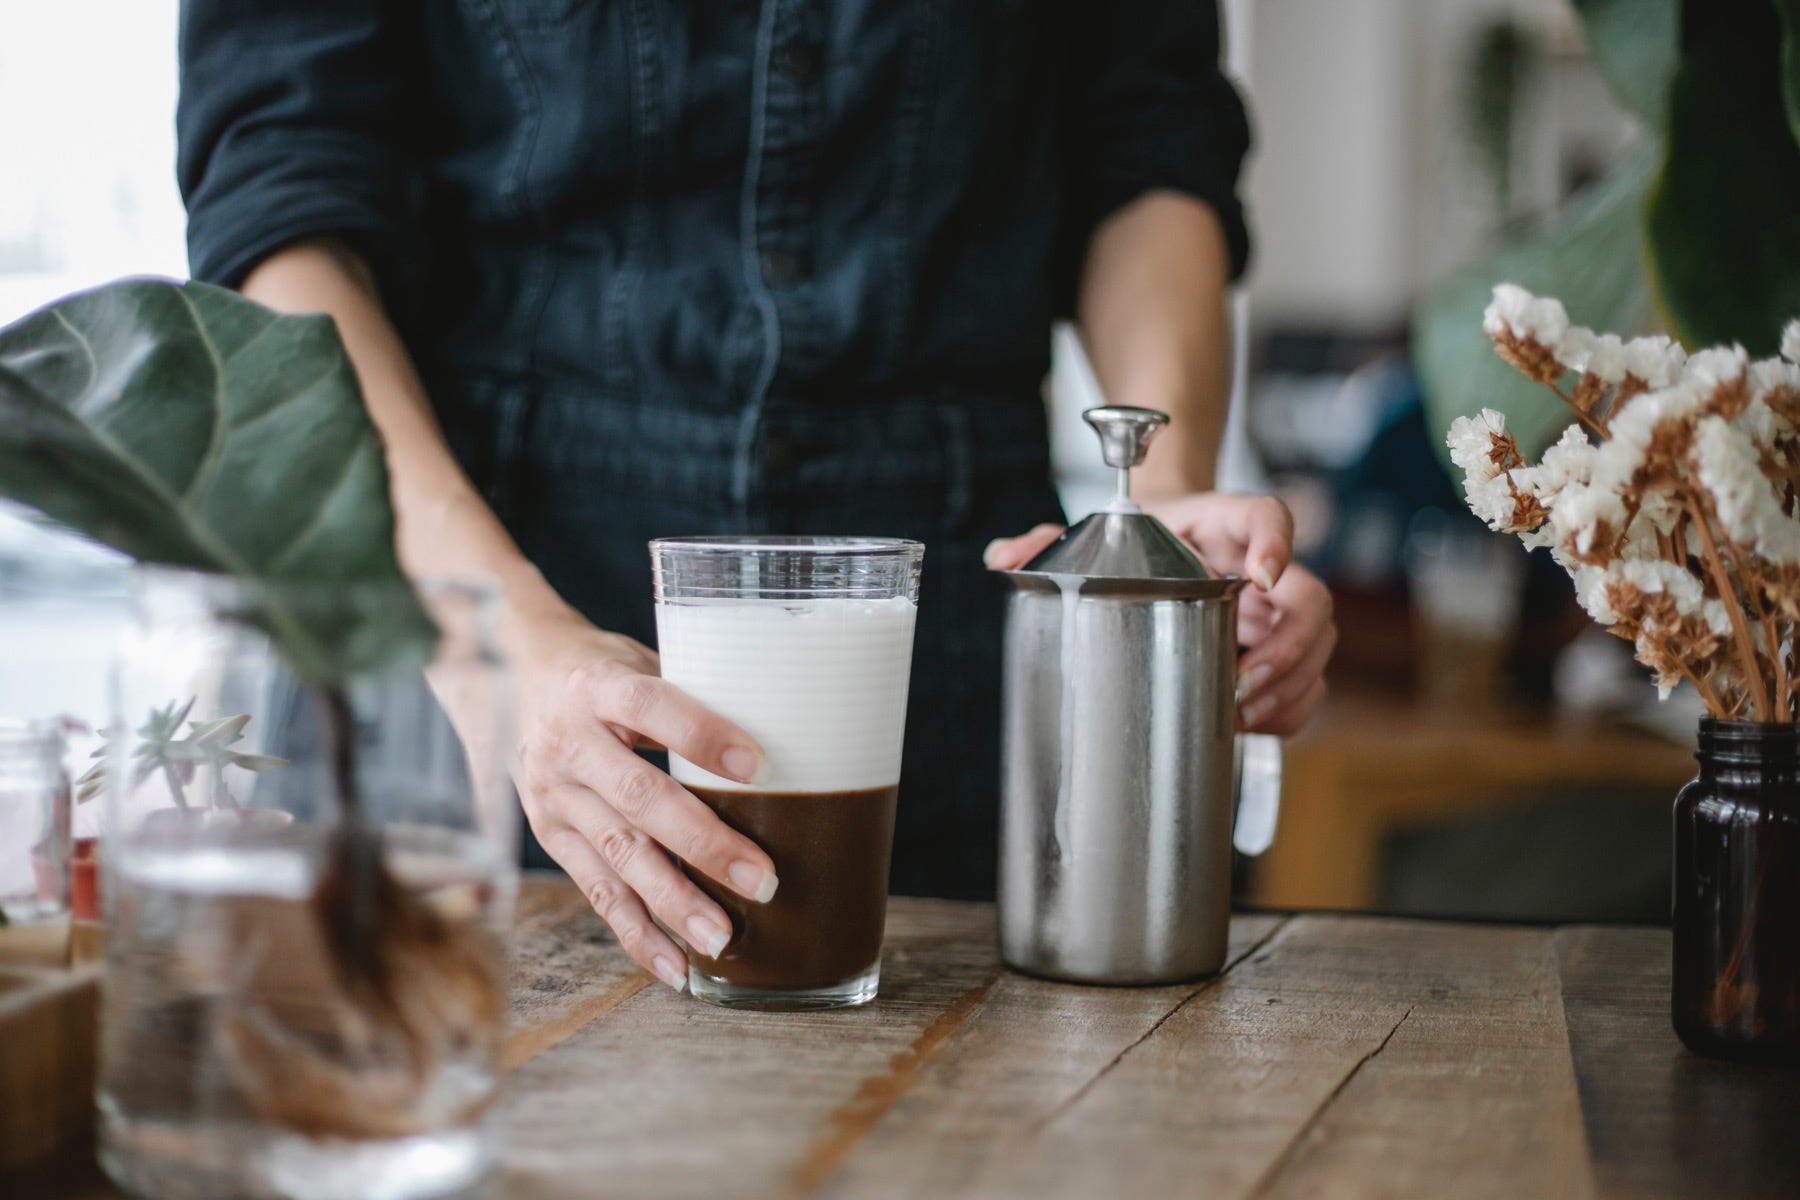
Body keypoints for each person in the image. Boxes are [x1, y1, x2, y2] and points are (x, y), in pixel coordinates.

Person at [176, 2, 1335, 990]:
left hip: (958, 637)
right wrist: (505, 652)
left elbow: (1148, 143)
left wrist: (1159, 501)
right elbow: (281, 203)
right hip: (454, 589)